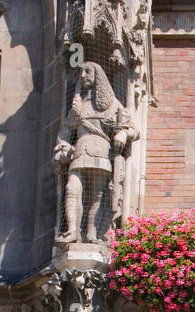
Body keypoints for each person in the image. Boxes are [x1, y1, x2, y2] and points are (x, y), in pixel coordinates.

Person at [53, 61, 136, 245]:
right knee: (72, 189)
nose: (83, 76)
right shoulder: (78, 106)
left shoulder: (112, 105)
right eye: (81, 72)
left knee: (97, 195)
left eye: (88, 72)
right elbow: (65, 132)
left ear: (98, 76)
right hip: (80, 151)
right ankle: (73, 230)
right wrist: (63, 147)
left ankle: (92, 233)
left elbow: (132, 129)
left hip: (101, 151)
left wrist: (123, 133)